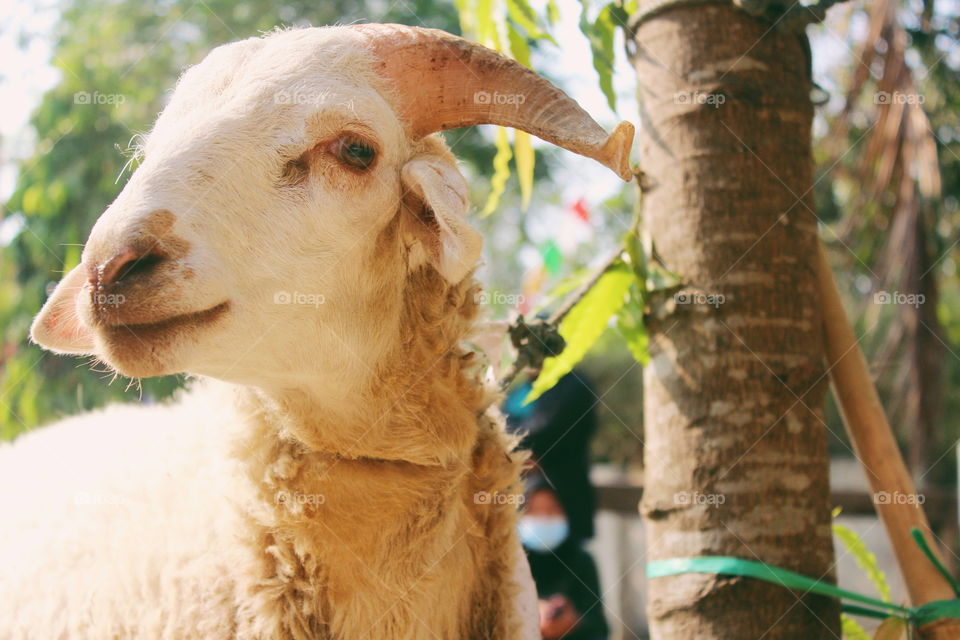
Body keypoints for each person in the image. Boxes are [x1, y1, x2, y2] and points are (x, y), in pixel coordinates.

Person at [518, 471, 608, 640]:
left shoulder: (581, 561)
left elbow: (600, 628)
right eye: (533, 511)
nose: (544, 518)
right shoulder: (508, 567)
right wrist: (529, 614)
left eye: (552, 510)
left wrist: (575, 621)